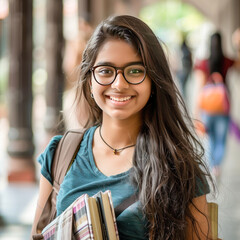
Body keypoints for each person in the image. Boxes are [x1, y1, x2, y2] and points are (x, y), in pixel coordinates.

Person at [32, 15, 212, 239]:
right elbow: (37, 233)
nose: (119, 84)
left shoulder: (179, 167)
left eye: (135, 71)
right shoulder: (60, 153)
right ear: (90, 81)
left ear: (153, 82)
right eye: (106, 70)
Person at [195, 32, 234, 177]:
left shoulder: (204, 63)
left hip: (207, 107)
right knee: (221, 139)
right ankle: (216, 165)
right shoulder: (227, 61)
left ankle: (211, 165)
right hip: (223, 106)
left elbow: (199, 89)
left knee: (210, 138)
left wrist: (196, 112)